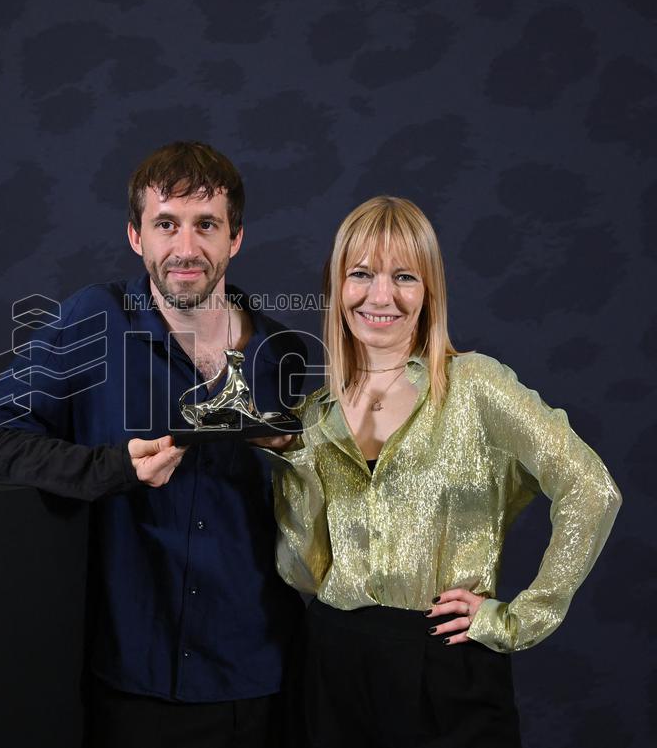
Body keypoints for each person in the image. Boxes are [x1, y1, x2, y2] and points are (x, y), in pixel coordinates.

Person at [0, 141, 306, 748]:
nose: (186, 248)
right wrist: (109, 467)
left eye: (207, 225)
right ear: (135, 236)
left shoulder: (282, 355)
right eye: (165, 224)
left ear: (237, 239)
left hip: (259, 678)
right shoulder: (95, 322)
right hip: (130, 678)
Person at [263, 195, 621, 748]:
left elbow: (592, 489)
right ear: (338, 288)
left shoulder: (475, 386)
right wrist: (293, 461)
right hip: (332, 661)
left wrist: (520, 618)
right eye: (361, 274)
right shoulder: (317, 413)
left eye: (404, 276)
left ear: (429, 290)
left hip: (447, 665)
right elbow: (303, 572)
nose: (380, 296)